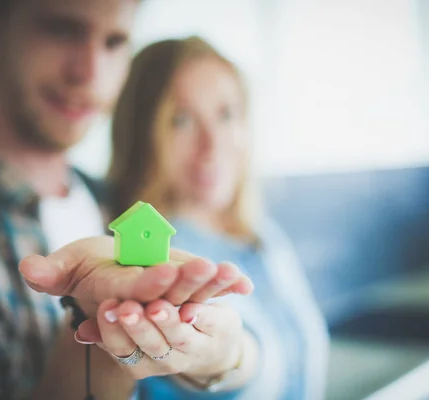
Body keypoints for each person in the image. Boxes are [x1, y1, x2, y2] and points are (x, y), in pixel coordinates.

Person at [0, 1, 257, 399]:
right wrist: (96, 321)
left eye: (115, 41)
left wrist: (226, 357)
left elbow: (236, 348)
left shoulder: (123, 201)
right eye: (61, 29)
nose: (88, 73)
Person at [107, 36, 330, 400]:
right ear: (142, 132)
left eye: (226, 114)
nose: (212, 144)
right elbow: (214, 362)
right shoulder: (145, 255)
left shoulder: (261, 236)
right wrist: (229, 359)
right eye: (181, 120)